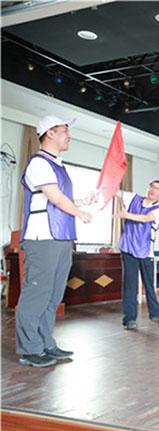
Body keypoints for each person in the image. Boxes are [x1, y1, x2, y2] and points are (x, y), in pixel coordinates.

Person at [16, 115, 93, 367]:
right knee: (36, 294)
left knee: (53, 296)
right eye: (64, 131)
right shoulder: (39, 163)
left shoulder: (58, 165)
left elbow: (61, 198)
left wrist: (84, 201)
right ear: (49, 133)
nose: (69, 136)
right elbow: (56, 199)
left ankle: (46, 344)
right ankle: (30, 349)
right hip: (42, 238)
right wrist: (80, 213)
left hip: (61, 237)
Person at [115, 178, 159, 330]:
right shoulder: (134, 198)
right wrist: (111, 180)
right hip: (128, 249)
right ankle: (129, 319)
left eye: (157, 189)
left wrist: (126, 215)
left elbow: (146, 218)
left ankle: (155, 313)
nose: (153, 190)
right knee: (130, 285)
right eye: (152, 186)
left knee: (149, 284)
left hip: (146, 251)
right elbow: (116, 192)